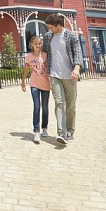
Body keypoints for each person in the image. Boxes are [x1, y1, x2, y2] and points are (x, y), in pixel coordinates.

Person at [42, 13, 82, 145]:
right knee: (59, 103)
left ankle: (70, 131)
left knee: (70, 105)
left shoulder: (71, 36)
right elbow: (44, 52)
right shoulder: (48, 37)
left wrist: (76, 69)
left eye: (51, 27)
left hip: (70, 75)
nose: (49, 29)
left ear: (58, 25)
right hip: (54, 75)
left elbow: (78, 53)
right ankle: (61, 133)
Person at [21, 34, 50, 143]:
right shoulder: (29, 57)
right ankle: (36, 130)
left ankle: (45, 127)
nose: (38, 45)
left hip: (46, 84)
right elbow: (26, 70)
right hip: (34, 84)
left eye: (40, 43)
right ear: (32, 45)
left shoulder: (45, 55)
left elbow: (49, 68)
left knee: (45, 107)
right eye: (36, 44)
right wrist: (23, 82)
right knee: (37, 106)